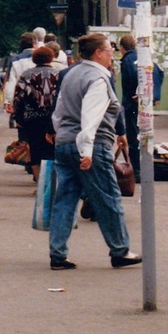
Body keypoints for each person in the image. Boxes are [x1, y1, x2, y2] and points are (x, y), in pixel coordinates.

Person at [47, 33, 142, 271]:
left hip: (65, 143)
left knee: (65, 200)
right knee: (108, 197)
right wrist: (86, 150)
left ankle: (57, 253)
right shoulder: (99, 78)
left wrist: (62, 135)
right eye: (110, 50)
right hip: (92, 144)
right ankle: (120, 250)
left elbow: (58, 111)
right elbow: (90, 117)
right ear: (98, 53)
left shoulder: (71, 74)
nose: (113, 55)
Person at [11, 46, 60, 183]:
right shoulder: (59, 74)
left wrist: (18, 117)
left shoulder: (26, 75)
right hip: (54, 119)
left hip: (32, 119)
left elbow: (18, 98)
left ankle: (40, 185)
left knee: (35, 151)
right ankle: (51, 184)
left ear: (34, 59)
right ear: (51, 58)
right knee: (51, 151)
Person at [118, 35, 141, 181]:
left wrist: (132, 94)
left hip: (131, 101)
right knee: (139, 135)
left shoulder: (127, 60)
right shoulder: (140, 58)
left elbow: (130, 78)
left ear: (122, 47)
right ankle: (140, 168)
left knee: (132, 136)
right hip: (140, 102)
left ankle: (137, 171)